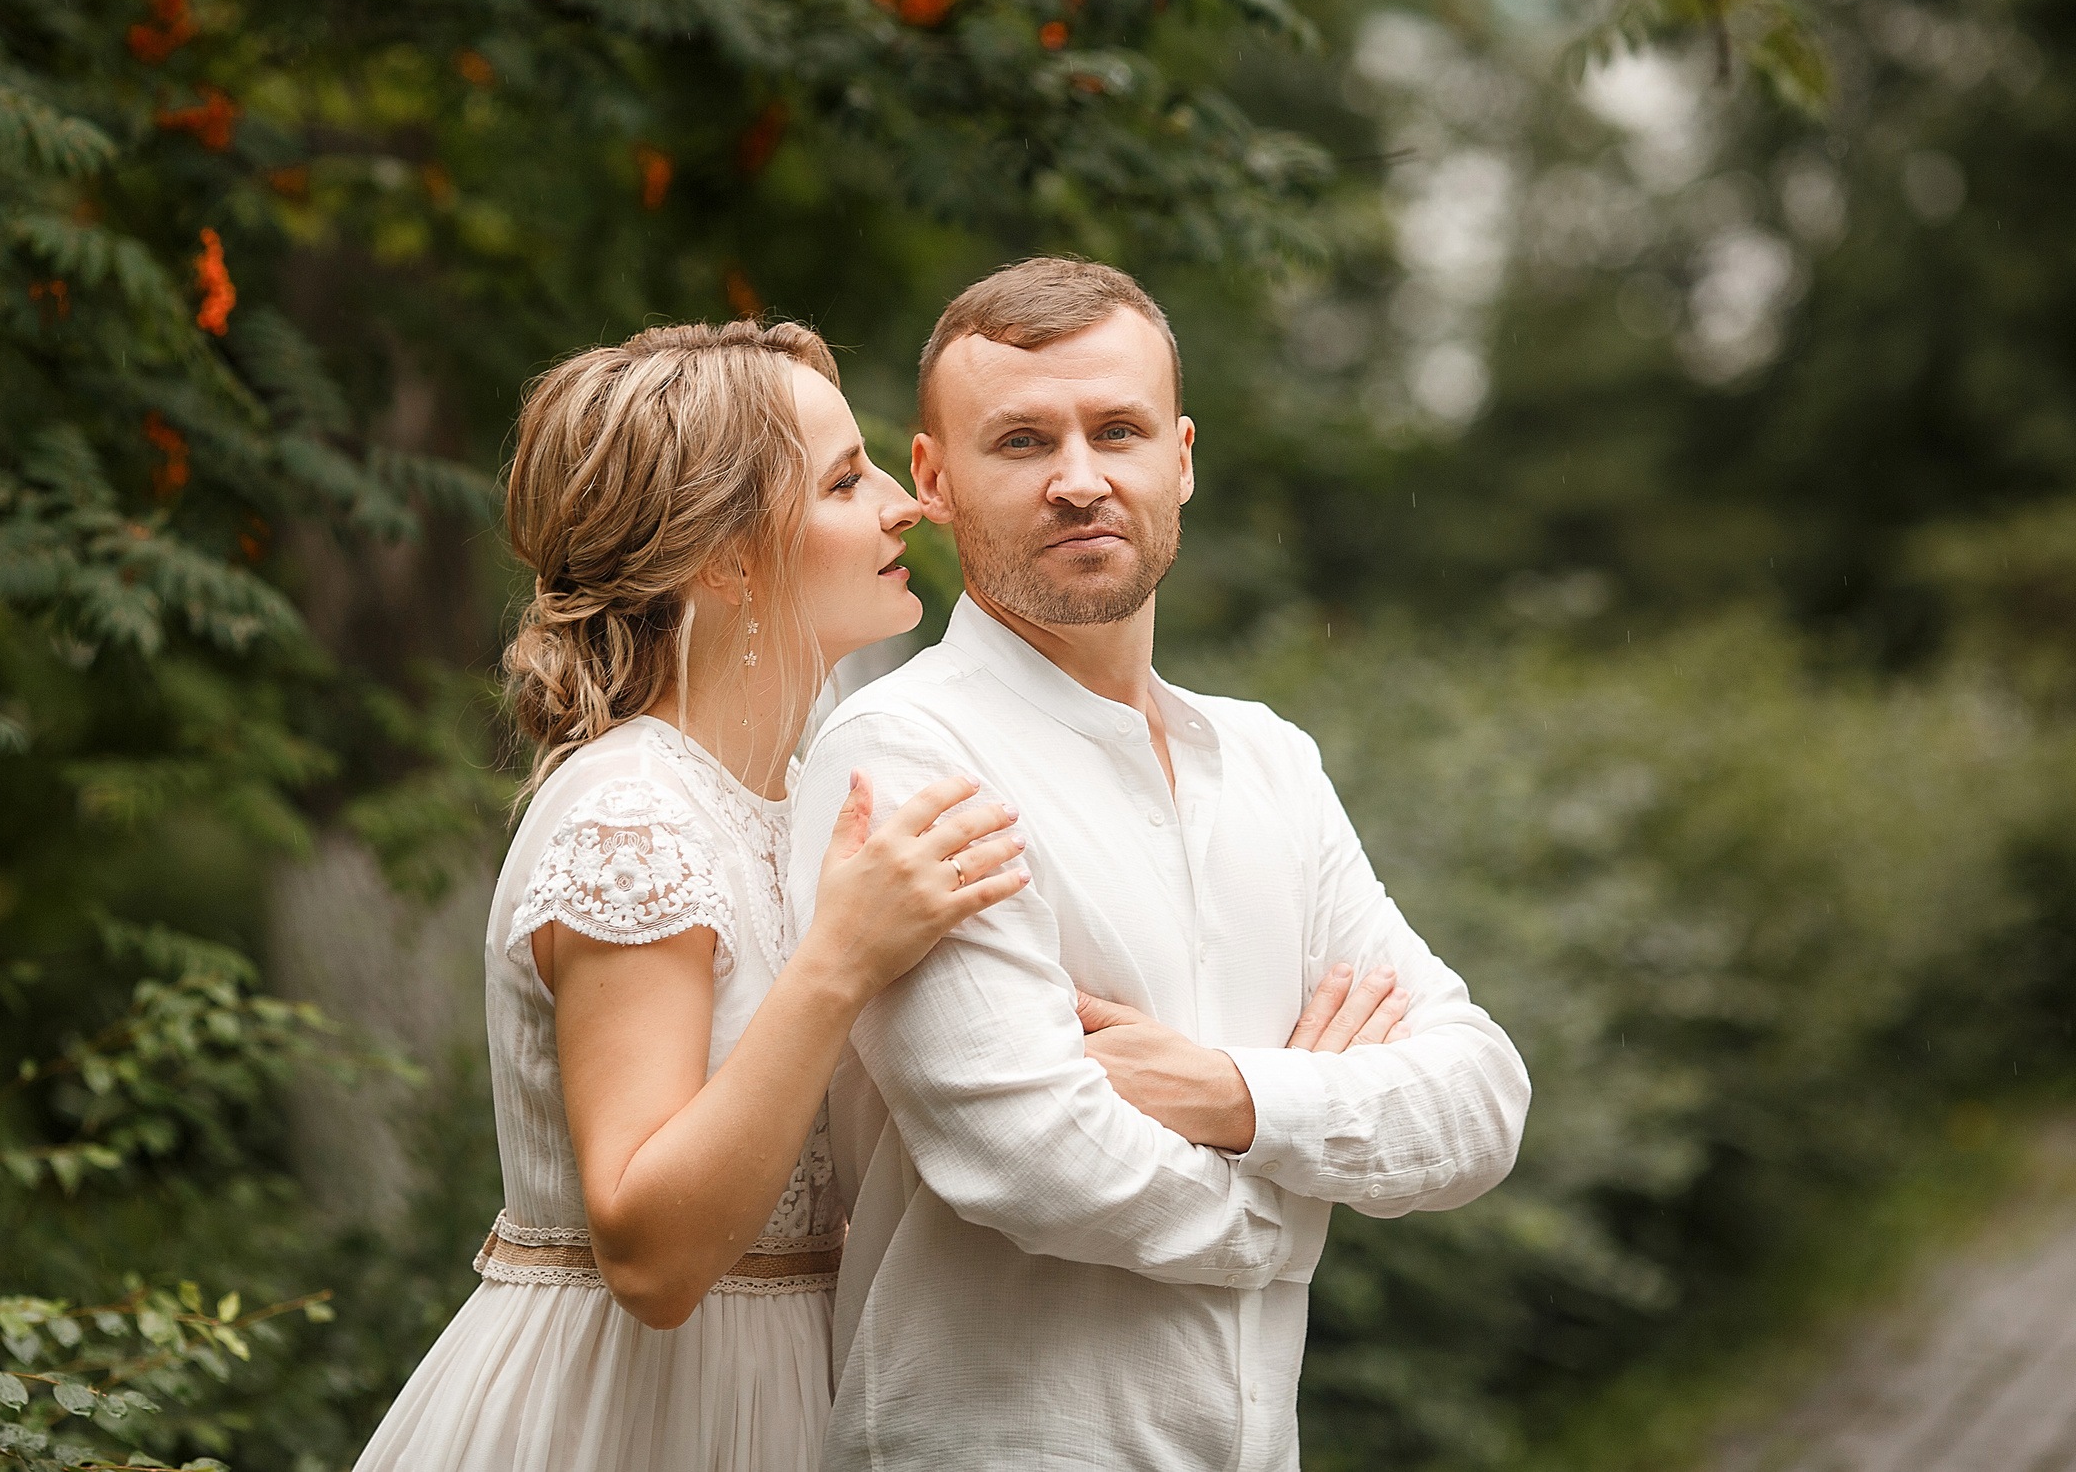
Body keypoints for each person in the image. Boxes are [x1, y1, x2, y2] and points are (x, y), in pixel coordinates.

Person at [789, 258, 1532, 1472]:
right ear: (932, 479)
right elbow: (1034, 1158)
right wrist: (1298, 1203)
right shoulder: (909, 753)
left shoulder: (1269, 759)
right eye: (1022, 440)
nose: (1080, 479)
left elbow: (1482, 1099)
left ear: (1180, 458)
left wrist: (1230, 1095)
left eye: (1118, 431)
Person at [349, 319, 1037, 1472]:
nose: (903, 506)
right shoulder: (632, 817)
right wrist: (839, 961)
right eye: (844, 481)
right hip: (633, 1416)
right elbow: (652, 1259)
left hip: (800, 1394)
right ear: (724, 560)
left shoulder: (806, 799)